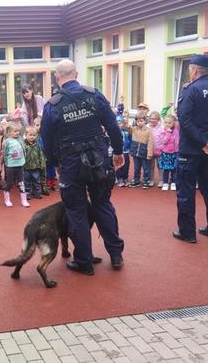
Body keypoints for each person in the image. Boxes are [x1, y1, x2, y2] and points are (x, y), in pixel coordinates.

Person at [41, 59, 125, 275]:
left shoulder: (53, 104)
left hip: (71, 164)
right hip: (99, 159)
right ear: (76, 74)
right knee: (103, 205)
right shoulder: (94, 94)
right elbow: (113, 127)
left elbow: (46, 141)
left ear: (57, 78)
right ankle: (116, 254)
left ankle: (84, 262)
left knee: (76, 212)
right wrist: (118, 152)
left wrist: (54, 166)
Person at [173, 54, 208, 244]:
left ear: (194, 70)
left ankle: (187, 232)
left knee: (186, 191)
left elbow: (185, 120)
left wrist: (201, 142)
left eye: (189, 70)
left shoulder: (191, 89)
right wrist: (207, 143)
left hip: (192, 149)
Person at [1, 121, 28, 208]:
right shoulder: (7, 142)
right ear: (9, 132)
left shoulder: (20, 139)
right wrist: (1, 165)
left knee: (21, 183)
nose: (17, 133)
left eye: (18, 131)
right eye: (15, 131)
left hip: (20, 165)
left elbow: (25, 128)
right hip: (10, 165)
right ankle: (7, 199)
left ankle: (24, 200)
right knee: (10, 183)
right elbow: (4, 154)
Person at [127, 112, 154, 189]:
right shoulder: (134, 129)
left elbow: (150, 143)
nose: (140, 123)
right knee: (136, 167)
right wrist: (126, 117)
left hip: (144, 152)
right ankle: (136, 180)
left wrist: (149, 154)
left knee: (146, 168)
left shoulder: (148, 131)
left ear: (145, 121)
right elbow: (125, 127)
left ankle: (146, 180)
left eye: (141, 121)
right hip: (135, 152)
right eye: (138, 121)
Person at [158, 115, 179, 191]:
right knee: (166, 170)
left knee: (174, 169)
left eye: (169, 123)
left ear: (174, 123)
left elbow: (179, 120)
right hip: (166, 153)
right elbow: (164, 141)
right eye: (166, 122)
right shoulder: (163, 131)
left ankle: (173, 183)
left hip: (175, 153)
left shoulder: (176, 129)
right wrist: (168, 133)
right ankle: (165, 183)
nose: (167, 124)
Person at [23, 126, 45, 200]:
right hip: (27, 167)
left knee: (36, 181)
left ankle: (37, 193)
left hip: (36, 167)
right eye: (30, 135)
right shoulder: (24, 145)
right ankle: (28, 193)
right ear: (26, 135)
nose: (32, 137)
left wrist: (42, 163)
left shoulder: (37, 145)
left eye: (34, 135)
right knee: (27, 182)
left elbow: (41, 154)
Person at [115, 116, 131, 187]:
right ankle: (120, 178)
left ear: (123, 123)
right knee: (119, 166)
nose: (119, 124)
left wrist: (130, 147)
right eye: (117, 123)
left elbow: (130, 140)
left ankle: (125, 178)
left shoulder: (127, 132)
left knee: (126, 165)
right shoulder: (114, 132)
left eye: (120, 123)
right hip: (118, 152)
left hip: (126, 152)